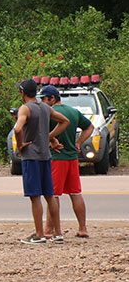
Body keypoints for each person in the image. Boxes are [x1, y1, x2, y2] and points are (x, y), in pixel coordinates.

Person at [13, 79, 69, 245]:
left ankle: (39, 234)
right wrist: (49, 137)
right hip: (45, 155)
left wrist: (20, 144)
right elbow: (65, 121)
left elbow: (17, 128)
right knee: (50, 195)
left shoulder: (25, 108)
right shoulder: (45, 107)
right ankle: (58, 233)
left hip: (31, 156)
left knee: (35, 196)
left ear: (23, 92)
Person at [40, 84, 94, 239]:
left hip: (57, 158)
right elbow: (89, 127)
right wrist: (78, 142)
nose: (42, 102)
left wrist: (50, 141)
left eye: (44, 99)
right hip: (72, 158)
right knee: (75, 193)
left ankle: (49, 230)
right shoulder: (73, 112)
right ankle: (83, 228)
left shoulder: (50, 113)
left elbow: (42, 133)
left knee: (53, 195)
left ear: (52, 98)